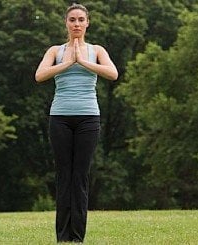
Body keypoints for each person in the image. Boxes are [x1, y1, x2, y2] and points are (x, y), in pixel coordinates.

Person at [35, 3, 118, 243]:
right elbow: (40, 75)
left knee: (80, 176)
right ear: (66, 23)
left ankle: (77, 237)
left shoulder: (96, 50)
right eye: (72, 20)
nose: (77, 24)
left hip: (88, 118)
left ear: (87, 23)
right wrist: (68, 62)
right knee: (64, 176)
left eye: (81, 19)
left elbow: (112, 74)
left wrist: (82, 61)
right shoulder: (55, 51)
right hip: (59, 117)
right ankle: (63, 236)